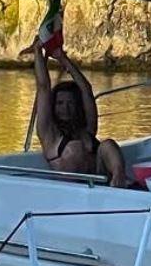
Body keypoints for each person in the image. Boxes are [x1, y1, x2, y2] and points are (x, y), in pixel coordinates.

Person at [32, 41, 128, 184]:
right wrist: (37, 51)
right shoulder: (49, 133)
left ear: (77, 105)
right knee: (75, 148)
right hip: (72, 190)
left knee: (108, 145)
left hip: (99, 184)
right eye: (60, 103)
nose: (65, 108)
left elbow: (86, 90)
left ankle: (119, 179)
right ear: (53, 106)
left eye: (70, 103)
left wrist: (62, 58)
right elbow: (43, 87)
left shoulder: (87, 128)